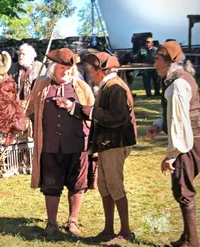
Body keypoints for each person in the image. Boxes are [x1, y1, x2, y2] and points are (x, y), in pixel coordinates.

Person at [56, 52, 137, 244]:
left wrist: (91, 110)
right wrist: (73, 107)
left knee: (115, 186)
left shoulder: (115, 87)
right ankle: (108, 230)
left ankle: (125, 232)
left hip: (114, 144)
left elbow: (118, 117)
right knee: (105, 187)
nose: (91, 74)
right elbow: (98, 114)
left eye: (92, 70)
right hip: (107, 144)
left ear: (102, 70)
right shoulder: (108, 86)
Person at [25, 48, 94, 237]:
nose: (67, 71)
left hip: (77, 144)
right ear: (53, 67)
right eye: (62, 67)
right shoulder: (41, 86)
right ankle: (52, 223)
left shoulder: (82, 87)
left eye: (69, 68)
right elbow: (28, 109)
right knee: (51, 184)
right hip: (49, 145)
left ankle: (73, 221)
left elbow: (93, 111)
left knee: (77, 184)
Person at [146, 41, 199, 247]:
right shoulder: (177, 80)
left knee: (183, 190)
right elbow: (174, 114)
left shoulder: (178, 84)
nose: (154, 63)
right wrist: (159, 125)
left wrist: (172, 155)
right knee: (180, 189)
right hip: (190, 140)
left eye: (157, 59)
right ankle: (187, 237)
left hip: (188, 142)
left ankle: (192, 242)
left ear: (169, 61)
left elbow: (179, 122)